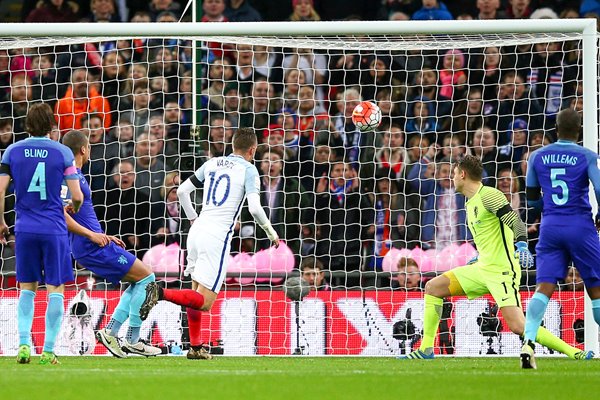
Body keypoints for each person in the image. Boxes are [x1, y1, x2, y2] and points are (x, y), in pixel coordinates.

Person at [403, 154, 592, 365]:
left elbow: (516, 222)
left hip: (502, 271)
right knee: (433, 287)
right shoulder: (470, 203)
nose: (452, 178)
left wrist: (521, 244)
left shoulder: (489, 195)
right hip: (482, 267)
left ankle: (573, 351)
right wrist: (478, 257)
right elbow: (491, 238)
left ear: (463, 174)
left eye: (454, 173)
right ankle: (426, 348)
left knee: (519, 326)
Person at [140, 127, 279, 360]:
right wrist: (271, 232)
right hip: (216, 236)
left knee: (196, 292)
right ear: (252, 150)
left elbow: (182, 190)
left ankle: (195, 346)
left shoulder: (213, 162)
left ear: (233, 145)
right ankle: (160, 293)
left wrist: (193, 218)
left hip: (196, 231)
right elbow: (254, 208)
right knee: (204, 301)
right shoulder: (249, 169)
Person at [60, 130, 161, 358]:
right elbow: (61, 215)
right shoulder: (70, 176)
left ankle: (112, 332)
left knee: (139, 281)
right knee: (147, 278)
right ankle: (131, 339)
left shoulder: (76, 175)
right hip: (89, 245)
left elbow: (78, 213)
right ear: (84, 149)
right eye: (89, 148)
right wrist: (92, 236)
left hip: (95, 242)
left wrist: (101, 235)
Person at [0, 103, 83, 365]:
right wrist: (74, 207)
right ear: (51, 125)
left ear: (27, 124)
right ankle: (48, 351)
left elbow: (0, 190)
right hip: (54, 229)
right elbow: (77, 195)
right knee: (55, 288)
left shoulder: (12, 151)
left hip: (24, 229)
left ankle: (24, 344)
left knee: (27, 288)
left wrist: (1, 221)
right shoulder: (62, 153)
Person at [522, 108, 599, 369]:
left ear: (555, 127)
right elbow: (599, 189)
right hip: (580, 225)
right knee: (596, 288)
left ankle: (528, 342)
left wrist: (548, 208)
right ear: (578, 130)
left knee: (544, 286)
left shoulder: (537, 156)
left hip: (551, 226)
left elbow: (531, 198)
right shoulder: (587, 156)